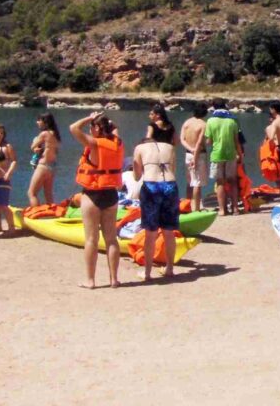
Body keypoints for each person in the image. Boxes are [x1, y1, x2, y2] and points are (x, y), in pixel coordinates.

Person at [69, 112, 124, 289]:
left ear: (98, 128)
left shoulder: (93, 143)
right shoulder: (117, 142)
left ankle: (90, 281)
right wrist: (103, 119)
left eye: (93, 126)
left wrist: (88, 117)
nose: (90, 129)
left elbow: (73, 128)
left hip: (92, 195)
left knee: (91, 239)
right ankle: (114, 279)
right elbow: (114, 128)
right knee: (111, 239)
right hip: (110, 195)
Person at [132, 136, 179, 280]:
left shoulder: (139, 148)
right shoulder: (170, 147)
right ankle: (170, 269)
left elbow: (136, 175)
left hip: (152, 186)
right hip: (170, 185)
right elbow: (174, 169)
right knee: (169, 232)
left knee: (150, 233)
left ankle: (147, 273)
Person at [205, 99, 242, 216]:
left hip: (217, 155)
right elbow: (237, 141)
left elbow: (209, 141)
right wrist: (240, 155)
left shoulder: (210, 121)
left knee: (220, 182)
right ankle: (235, 208)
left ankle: (222, 209)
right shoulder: (232, 121)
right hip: (231, 154)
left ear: (214, 107)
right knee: (233, 182)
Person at [27, 112, 61, 206]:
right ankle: (53, 215)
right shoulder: (56, 135)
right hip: (52, 167)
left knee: (31, 193)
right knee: (48, 194)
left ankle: (35, 214)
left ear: (45, 122)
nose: (37, 122)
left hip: (43, 166)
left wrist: (35, 141)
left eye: (39, 120)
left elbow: (32, 146)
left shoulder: (44, 134)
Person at [180, 103, 209, 212]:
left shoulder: (187, 122)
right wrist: (195, 157)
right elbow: (198, 143)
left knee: (190, 181)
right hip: (199, 154)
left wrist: (190, 150)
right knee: (197, 182)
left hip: (188, 153)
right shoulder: (203, 124)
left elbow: (182, 139)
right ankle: (196, 208)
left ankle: (187, 205)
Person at [0, 123, 17, 235]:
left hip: (3, 179)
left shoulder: (7, 147)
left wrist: (9, 172)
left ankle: (11, 227)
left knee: (4, 205)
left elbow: (14, 160)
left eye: (1, 133)